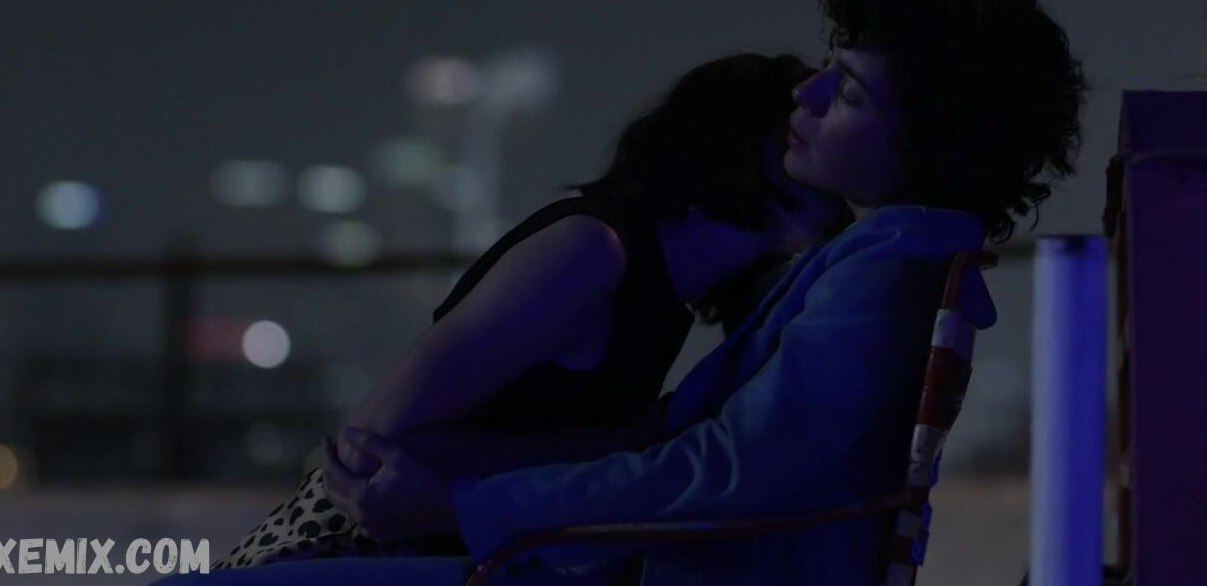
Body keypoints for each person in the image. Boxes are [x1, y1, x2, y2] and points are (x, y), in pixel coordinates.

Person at [164, 0, 1085, 584]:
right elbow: (683, 448)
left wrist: (464, 502)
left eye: (843, 89)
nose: (803, 97)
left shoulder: (880, 271)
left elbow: (720, 471)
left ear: (926, 136)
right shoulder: (885, 260)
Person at [210, 53, 849, 569]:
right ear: (735, 143)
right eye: (797, 129)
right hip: (347, 549)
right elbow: (374, 442)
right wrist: (620, 447)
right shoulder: (592, 251)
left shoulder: (663, 286)